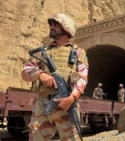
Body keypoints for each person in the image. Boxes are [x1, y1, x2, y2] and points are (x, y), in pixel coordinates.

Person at [21, 13, 88, 141]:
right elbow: (25, 72)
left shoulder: (79, 53)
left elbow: (83, 78)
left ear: (66, 28)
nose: (52, 27)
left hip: (67, 104)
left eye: (56, 24)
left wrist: (71, 98)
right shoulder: (42, 52)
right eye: (51, 24)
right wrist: (40, 74)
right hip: (42, 104)